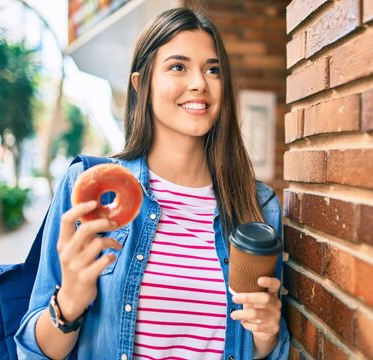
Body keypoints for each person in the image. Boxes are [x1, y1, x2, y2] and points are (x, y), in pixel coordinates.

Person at [15, 7, 289, 360]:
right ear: (141, 83)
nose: (199, 83)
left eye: (212, 69)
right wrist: (69, 302)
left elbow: (267, 347)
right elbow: (33, 352)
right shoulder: (91, 189)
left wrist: (267, 335)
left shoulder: (259, 206)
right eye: (178, 66)